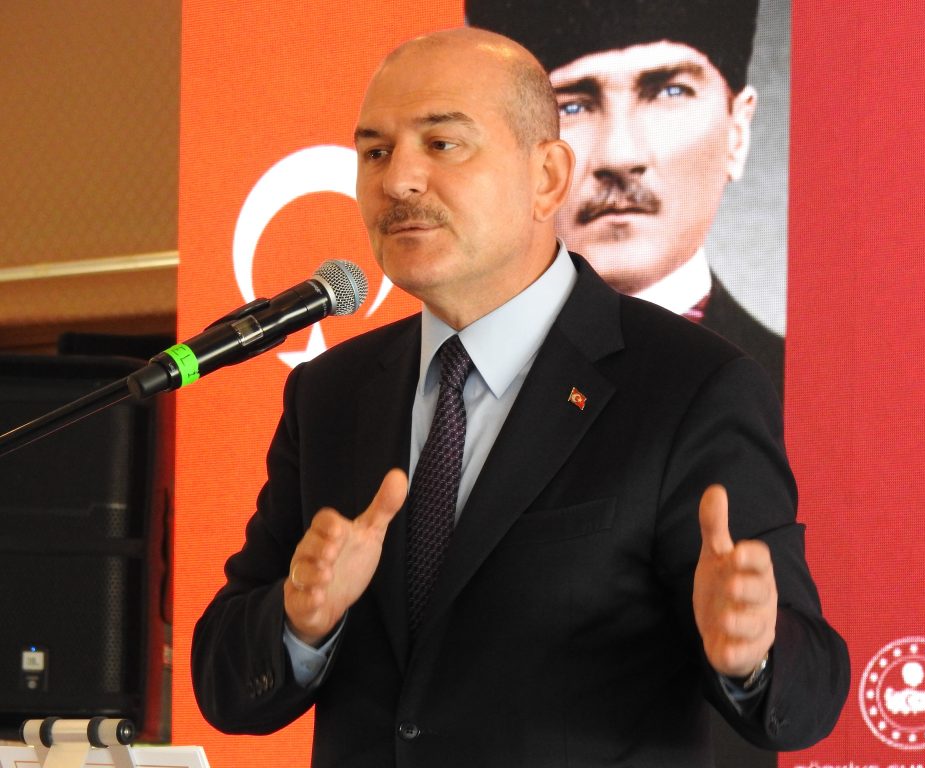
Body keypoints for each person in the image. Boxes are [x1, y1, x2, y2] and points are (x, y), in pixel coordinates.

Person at [191, 28, 848, 768]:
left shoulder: (691, 387)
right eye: (374, 152)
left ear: (547, 177)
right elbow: (225, 685)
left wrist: (754, 654)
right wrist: (299, 621)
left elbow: (809, 695)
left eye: (442, 144)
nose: (398, 181)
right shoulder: (330, 393)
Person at [464, 0, 785, 396]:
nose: (619, 156)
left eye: (669, 92)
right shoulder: (452, 388)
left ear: (737, 132)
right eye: (571, 106)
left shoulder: (810, 390)